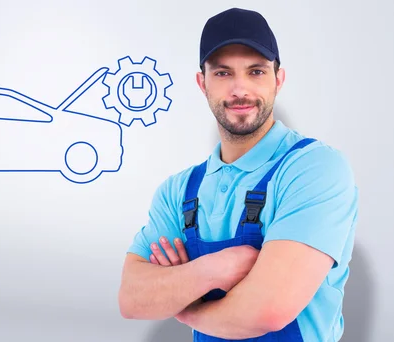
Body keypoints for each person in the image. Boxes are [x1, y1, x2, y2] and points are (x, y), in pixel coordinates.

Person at [117, 7, 359, 342]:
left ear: (279, 79)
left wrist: (184, 305)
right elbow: (132, 297)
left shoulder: (313, 169)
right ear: (202, 83)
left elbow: (268, 310)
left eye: (256, 71)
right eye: (223, 73)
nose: (240, 89)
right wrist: (213, 269)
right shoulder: (179, 190)